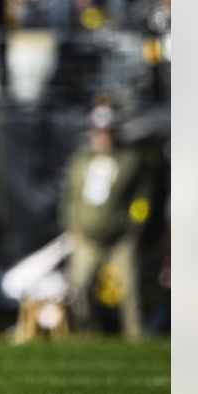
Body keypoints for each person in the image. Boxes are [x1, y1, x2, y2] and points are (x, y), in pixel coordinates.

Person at [61, 102, 154, 338]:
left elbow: (142, 199)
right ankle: (89, 333)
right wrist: (72, 224)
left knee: (131, 290)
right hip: (87, 238)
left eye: (107, 130)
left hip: (120, 237)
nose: (103, 136)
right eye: (98, 130)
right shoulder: (80, 160)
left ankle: (135, 335)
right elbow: (69, 196)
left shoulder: (130, 160)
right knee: (78, 287)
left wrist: (135, 227)